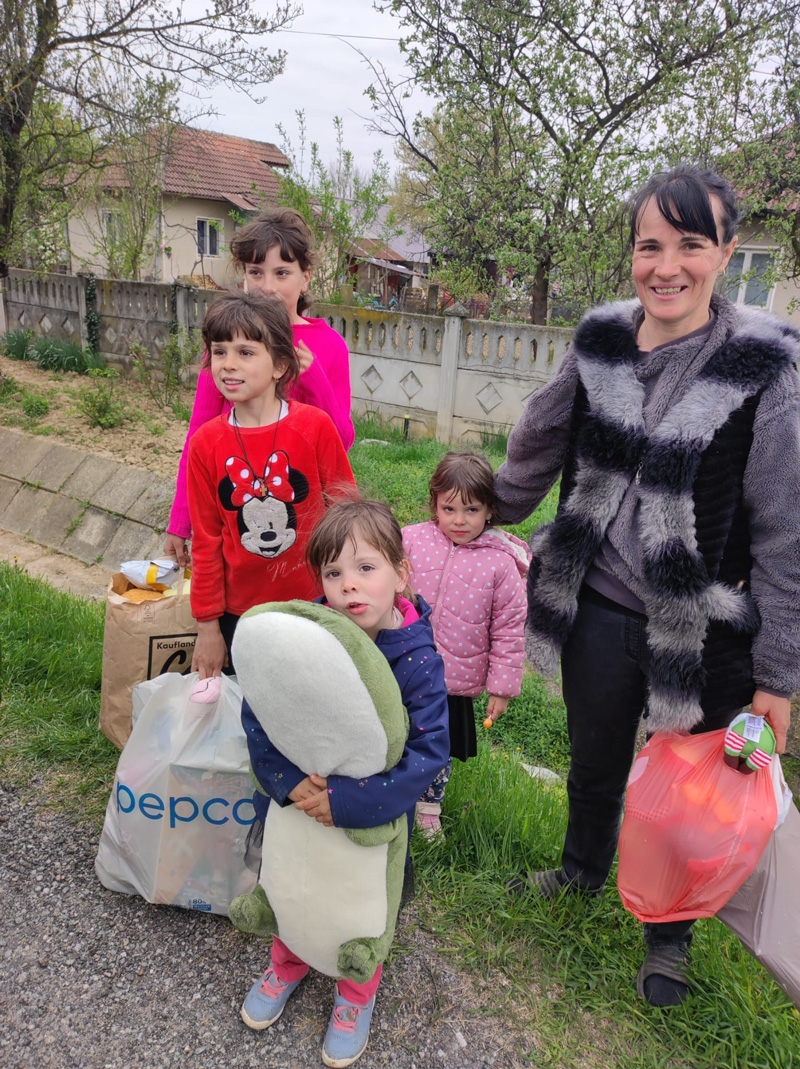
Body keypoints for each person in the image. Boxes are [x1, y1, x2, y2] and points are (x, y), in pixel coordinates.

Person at [494, 164, 800, 1006]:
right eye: (649, 245)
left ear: (727, 252)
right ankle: (580, 870)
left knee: (685, 796)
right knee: (594, 765)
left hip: (700, 633)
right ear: (631, 254)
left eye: (691, 245)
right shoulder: (601, 342)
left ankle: (668, 936)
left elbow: (783, 531)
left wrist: (778, 676)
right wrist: (467, 518)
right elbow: (533, 454)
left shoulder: (762, 368)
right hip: (596, 606)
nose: (667, 266)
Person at [238, 498, 450, 1066]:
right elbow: (260, 710)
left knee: (359, 910)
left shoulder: (418, 661)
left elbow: (429, 755)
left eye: (366, 568)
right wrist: (287, 785)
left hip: (368, 821)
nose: (348, 586)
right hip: (297, 807)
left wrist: (350, 802)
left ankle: (356, 994)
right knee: (292, 883)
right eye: (333, 573)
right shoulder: (305, 637)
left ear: (401, 574)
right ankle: (288, 960)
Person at [165, 206, 355, 566]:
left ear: (306, 277)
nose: (267, 287)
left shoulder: (329, 346)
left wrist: (311, 378)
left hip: (304, 509)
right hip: (232, 502)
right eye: (256, 272)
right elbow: (197, 437)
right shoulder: (228, 347)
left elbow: (341, 440)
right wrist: (180, 521)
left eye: (282, 273)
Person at [187, 290, 355, 679]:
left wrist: (348, 594)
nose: (228, 365)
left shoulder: (315, 428)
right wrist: (208, 626)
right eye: (219, 351)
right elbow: (206, 541)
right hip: (239, 616)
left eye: (246, 352)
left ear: (281, 365)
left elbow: (347, 519)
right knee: (247, 718)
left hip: (314, 607)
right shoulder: (205, 444)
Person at [402, 451, 530, 837]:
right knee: (396, 731)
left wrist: (502, 687)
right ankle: (390, 795)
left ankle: (428, 809)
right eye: (449, 508)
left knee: (438, 747)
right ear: (435, 504)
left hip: (453, 683)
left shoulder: (501, 564)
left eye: (471, 510)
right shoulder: (410, 541)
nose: (459, 520)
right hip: (402, 667)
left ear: (489, 510)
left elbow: (509, 628)